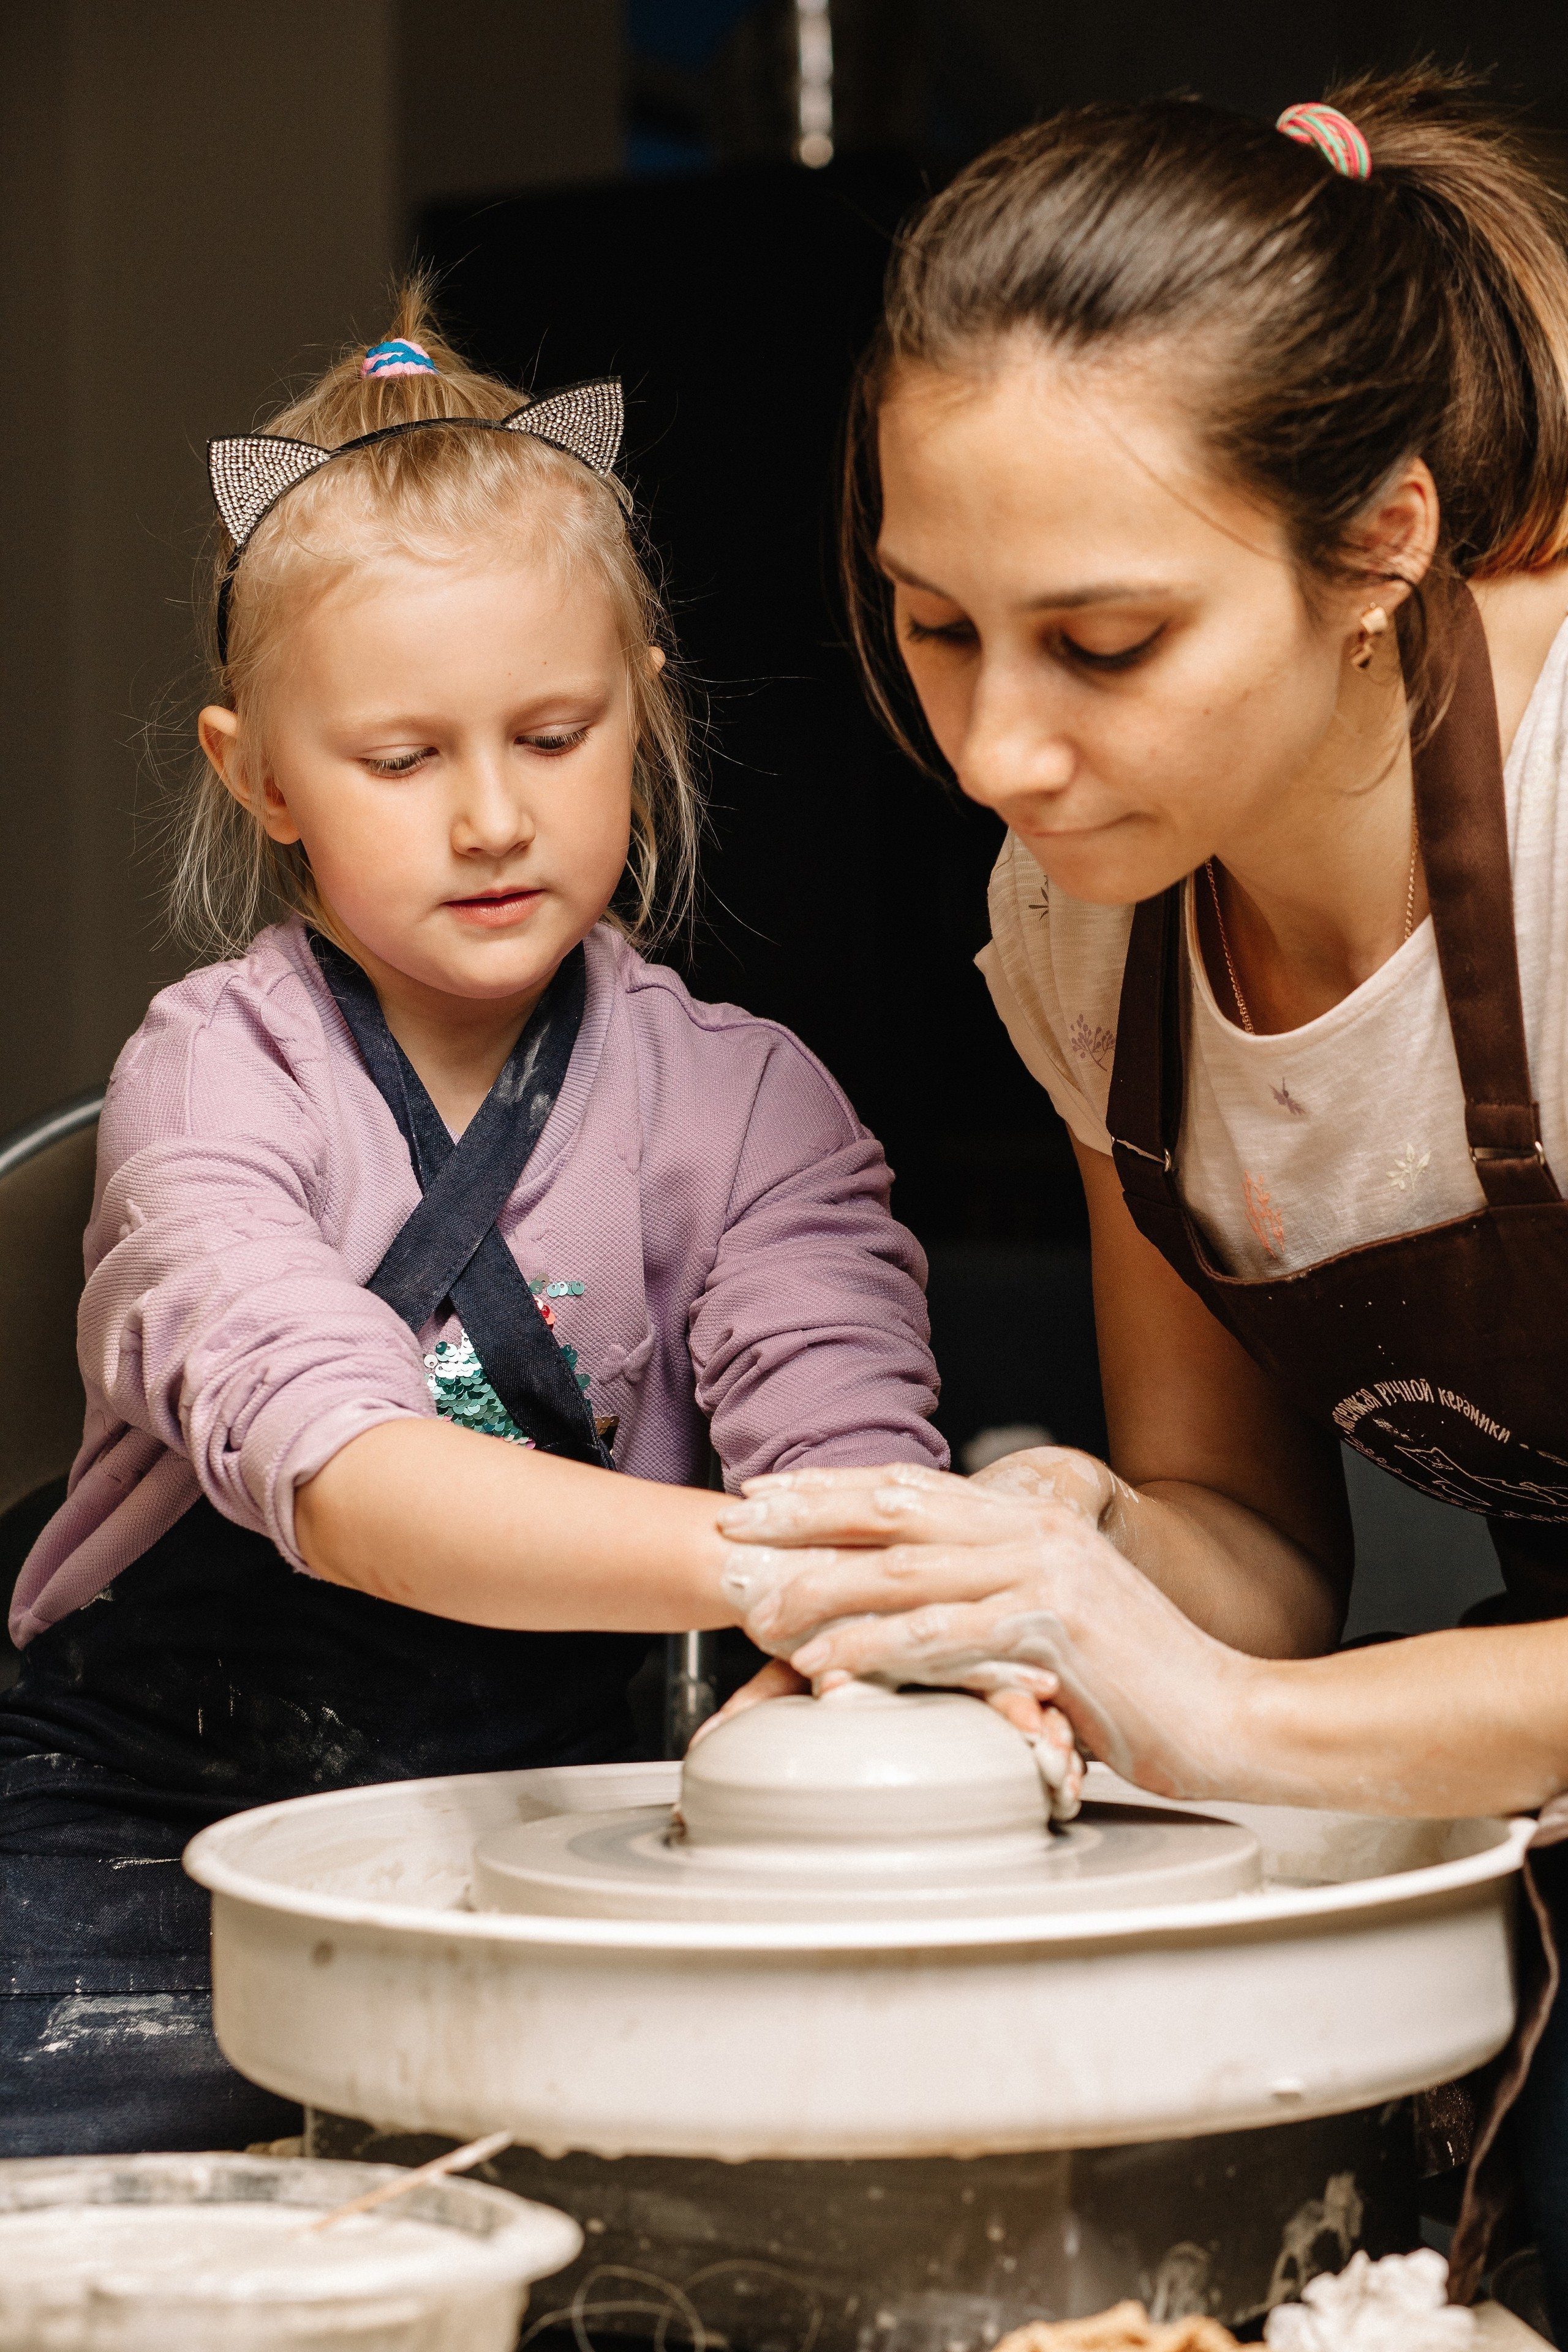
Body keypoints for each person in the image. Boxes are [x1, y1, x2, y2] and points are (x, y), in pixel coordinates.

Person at [711, 70, 1568, 2330]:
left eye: (1105, 645)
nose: (998, 753)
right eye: (933, 628)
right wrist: (1055, 1559)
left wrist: (1237, 1730)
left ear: (1382, 542)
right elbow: (1248, 1536)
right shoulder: (1093, 922)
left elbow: (1250, 1692)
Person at [0, 290, 946, 2157]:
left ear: (643, 720)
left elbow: (856, 1477)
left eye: (554, 732)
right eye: (403, 759)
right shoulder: (215, 1079)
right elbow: (347, 1479)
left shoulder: (751, 1105)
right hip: (136, 1805)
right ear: (256, 773)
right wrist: (771, 1570)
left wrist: (871, 1621)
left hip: (552, 1796)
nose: (495, 816)